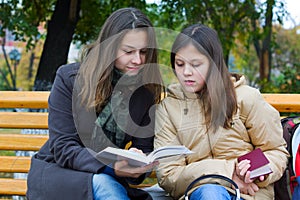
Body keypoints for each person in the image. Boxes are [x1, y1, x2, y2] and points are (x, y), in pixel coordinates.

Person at [27, 7, 165, 200]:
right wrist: (112, 165)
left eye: (144, 52)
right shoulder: (70, 79)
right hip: (58, 172)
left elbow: (144, 152)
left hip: (108, 178)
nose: (138, 60)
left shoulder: (144, 94)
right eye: (128, 51)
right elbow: (63, 147)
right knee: (106, 186)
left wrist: (137, 161)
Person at [154, 24, 289, 200]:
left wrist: (259, 172)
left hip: (250, 194)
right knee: (211, 192)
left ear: (213, 63)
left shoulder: (246, 98)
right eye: (179, 64)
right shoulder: (169, 108)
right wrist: (227, 173)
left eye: (196, 64)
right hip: (199, 193)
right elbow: (168, 174)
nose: (186, 72)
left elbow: (275, 151)